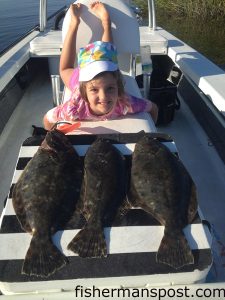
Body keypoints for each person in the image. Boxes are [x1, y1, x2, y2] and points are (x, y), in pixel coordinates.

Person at [43, 1, 158, 130]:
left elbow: (152, 108)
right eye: (94, 89)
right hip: (78, 78)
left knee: (107, 54)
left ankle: (106, 23)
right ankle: (74, 25)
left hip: (97, 76)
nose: (103, 97)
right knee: (65, 69)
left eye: (110, 88)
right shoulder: (74, 108)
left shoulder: (124, 102)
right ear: (84, 92)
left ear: (119, 87)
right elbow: (48, 118)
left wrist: (153, 133)